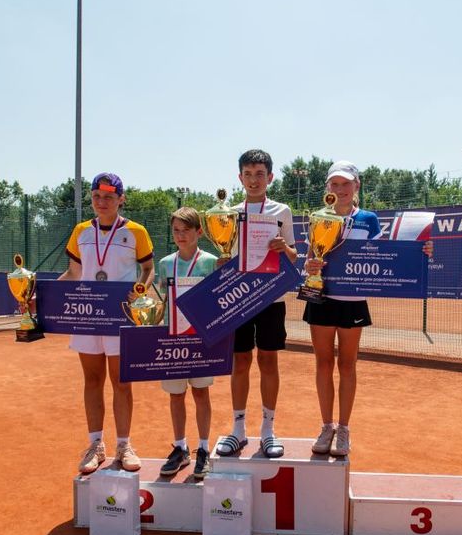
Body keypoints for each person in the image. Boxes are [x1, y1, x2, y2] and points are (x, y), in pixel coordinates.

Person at [304, 161, 433, 457]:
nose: (340, 189)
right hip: (321, 297)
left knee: (347, 365)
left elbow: (384, 256)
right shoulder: (317, 218)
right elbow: (309, 257)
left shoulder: (368, 219)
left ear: (356, 186)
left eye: (345, 184)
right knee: (323, 364)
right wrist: (309, 265)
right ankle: (326, 427)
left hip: (352, 302)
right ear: (328, 188)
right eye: (334, 184)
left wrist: (421, 252)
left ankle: (344, 429)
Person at [60, 173, 155, 474]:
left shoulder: (136, 232)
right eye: (97, 197)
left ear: (121, 199)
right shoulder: (80, 231)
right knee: (92, 381)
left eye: (109, 197)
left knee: (121, 383)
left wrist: (141, 288)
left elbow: (148, 268)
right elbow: (74, 273)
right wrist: (41, 294)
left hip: (121, 316)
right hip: (87, 317)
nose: (102, 203)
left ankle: (124, 445)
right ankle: (95, 444)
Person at [215, 149, 298, 459]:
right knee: (240, 361)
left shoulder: (282, 211)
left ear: (270, 177)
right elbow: (226, 254)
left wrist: (284, 247)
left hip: (271, 296)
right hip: (239, 297)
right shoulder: (228, 213)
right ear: (240, 178)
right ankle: (238, 429)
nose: (253, 180)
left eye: (259, 174)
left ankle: (268, 429)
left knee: (268, 360)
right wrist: (223, 260)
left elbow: (294, 254)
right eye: (248, 174)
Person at [156, 207, 218, 479]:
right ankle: (181, 447)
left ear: (199, 232)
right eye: (176, 230)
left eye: (186, 230)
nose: (181, 235)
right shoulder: (165, 264)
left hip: (201, 339)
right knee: (176, 395)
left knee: (201, 393)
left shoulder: (212, 261)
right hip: (173, 339)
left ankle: (203, 449)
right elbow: (162, 303)